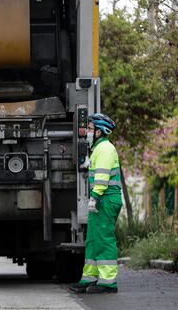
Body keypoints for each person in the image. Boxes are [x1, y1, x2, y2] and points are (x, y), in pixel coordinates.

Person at [69, 113, 122, 294]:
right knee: (92, 239)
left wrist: (95, 196)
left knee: (104, 239)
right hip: (102, 199)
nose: (88, 132)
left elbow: (102, 176)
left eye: (91, 129)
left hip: (105, 199)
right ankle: (89, 278)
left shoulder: (105, 148)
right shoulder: (98, 148)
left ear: (99, 132)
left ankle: (108, 283)